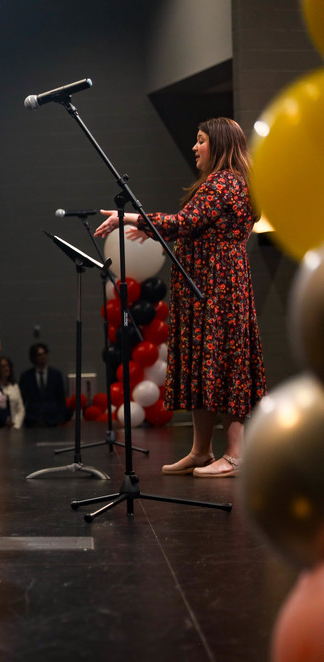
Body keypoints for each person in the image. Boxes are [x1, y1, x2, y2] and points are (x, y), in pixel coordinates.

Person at [94, 117, 266, 478]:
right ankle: (201, 451)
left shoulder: (224, 183)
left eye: (200, 140)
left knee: (223, 364)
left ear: (217, 144)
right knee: (205, 364)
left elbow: (184, 223)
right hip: (205, 287)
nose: (194, 147)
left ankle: (236, 453)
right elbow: (188, 225)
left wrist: (130, 219)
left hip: (218, 288)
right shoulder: (225, 183)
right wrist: (147, 225)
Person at [18, 342, 68, 427]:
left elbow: (61, 397)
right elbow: (22, 398)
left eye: (44, 354)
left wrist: (60, 416)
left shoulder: (56, 374)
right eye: (39, 355)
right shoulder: (26, 376)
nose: (43, 357)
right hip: (33, 419)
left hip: (52, 418)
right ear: (34, 357)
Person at [0, 356, 25, 429]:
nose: (6, 368)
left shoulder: (15, 386)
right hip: (0, 427)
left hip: (15, 426)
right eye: (3, 366)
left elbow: (20, 408)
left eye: (8, 366)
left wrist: (16, 425)